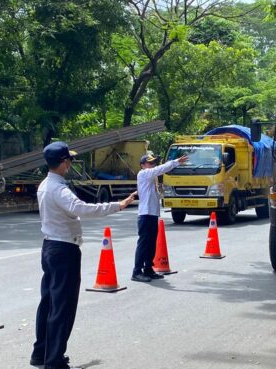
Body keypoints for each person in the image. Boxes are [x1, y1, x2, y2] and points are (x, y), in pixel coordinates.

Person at [30, 141, 136, 369]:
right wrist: (117, 205)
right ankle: (54, 359)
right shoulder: (59, 189)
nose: (70, 164)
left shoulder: (45, 185)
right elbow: (83, 209)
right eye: (68, 160)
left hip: (49, 247)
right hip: (64, 249)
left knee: (48, 302)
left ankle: (41, 353)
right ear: (63, 163)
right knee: (62, 306)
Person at [132, 153, 189, 282]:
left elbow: (154, 197)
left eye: (153, 163)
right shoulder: (143, 174)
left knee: (152, 244)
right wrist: (176, 162)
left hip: (152, 214)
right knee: (144, 244)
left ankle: (148, 269)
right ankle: (136, 271)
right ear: (142, 165)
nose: (153, 165)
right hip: (145, 214)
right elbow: (160, 169)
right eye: (150, 163)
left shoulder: (151, 180)